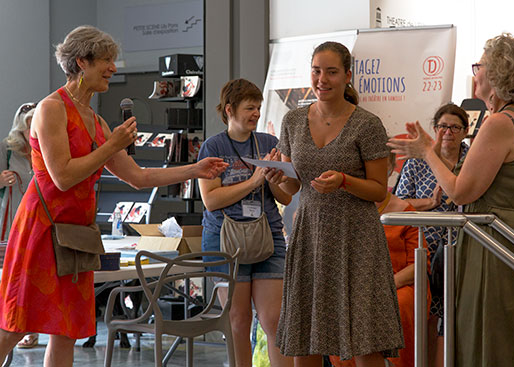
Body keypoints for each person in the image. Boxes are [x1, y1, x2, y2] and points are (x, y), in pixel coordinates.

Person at [0, 25, 227, 367]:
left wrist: (195, 170)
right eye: (106, 60)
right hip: (41, 230)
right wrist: (111, 146)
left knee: (67, 331)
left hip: (77, 235)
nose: (113, 68)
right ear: (82, 62)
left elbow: (138, 177)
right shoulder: (51, 109)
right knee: (14, 328)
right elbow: (62, 177)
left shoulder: (98, 122)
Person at [388, 33, 514, 367]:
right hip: (499, 233)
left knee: (487, 333)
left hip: (492, 237)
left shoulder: (500, 123)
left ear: (499, 74)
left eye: (480, 66)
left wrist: (426, 152)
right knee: (495, 332)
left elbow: (460, 191)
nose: (476, 73)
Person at [275, 41, 404, 367]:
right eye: (317, 71)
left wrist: (344, 181)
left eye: (331, 72)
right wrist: (273, 177)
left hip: (356, 237)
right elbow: (291, 186)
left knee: (363, 337)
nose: (322, 79)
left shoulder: (367, 124)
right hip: (310, 236)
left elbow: (378, 191)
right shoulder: (292, 120)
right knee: (305, 336)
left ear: (347, 76)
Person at [197, 78, 293, 367]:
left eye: (259, 108)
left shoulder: (268, 143)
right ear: (229, 110)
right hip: (224, 240)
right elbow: (211, 200)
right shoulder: (212, 147)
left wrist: (276, 179)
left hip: (268, 236)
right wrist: (253, 181)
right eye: (250, 107)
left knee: (274, 319)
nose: (256, 114)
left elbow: (286, 197)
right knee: (238, 321)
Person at [329, 152, 430, 367]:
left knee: (397, 304)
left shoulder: (405, 211)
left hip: (398, 284)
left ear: (391, 168)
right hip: (355, 285)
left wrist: (385, 286)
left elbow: (420, 264)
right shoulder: (344, 208)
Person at [394, 103, 469, 366]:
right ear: (434, 130)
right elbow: (399, 205)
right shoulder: (417, 162)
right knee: (427, 315)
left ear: (465, 131)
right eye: (442, 127)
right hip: (424, 251)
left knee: (458, 316)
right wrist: (430, 202)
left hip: (464, 249)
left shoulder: (473, 160)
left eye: (455, 127)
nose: (448, 132)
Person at [0, 103, 39, 349]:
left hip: (38, 220)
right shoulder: (6, 149)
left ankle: (30, 329)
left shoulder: (47, 147)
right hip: (11, 216)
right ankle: (9, 325)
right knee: (9, 274)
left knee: (32, 275)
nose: (32, 130)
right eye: (27, 126)